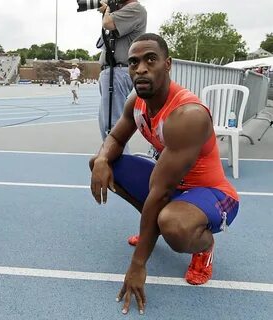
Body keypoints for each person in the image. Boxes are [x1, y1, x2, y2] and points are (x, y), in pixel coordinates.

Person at [89, 33, 239, 314]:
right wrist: (100, 159)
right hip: (171, 186)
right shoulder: (137, 99)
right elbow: (116, 139)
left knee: (173, 224)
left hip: (212, 194)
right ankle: (153, 227)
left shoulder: (187, 115)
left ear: (167, 64)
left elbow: (160, 192)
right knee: (104, 163)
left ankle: (204, 247)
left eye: (150, 60)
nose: (141, 69)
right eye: (134, 63)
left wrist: (137, 264)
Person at [97, 0, 147, 145]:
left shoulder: (135, 9)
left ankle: (119, 166)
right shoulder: (124, 10)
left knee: (113, 128)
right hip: (112, 72)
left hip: (118, 71)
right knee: (107, 125)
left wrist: (107, 10)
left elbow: (108, 24)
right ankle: (114, 164)